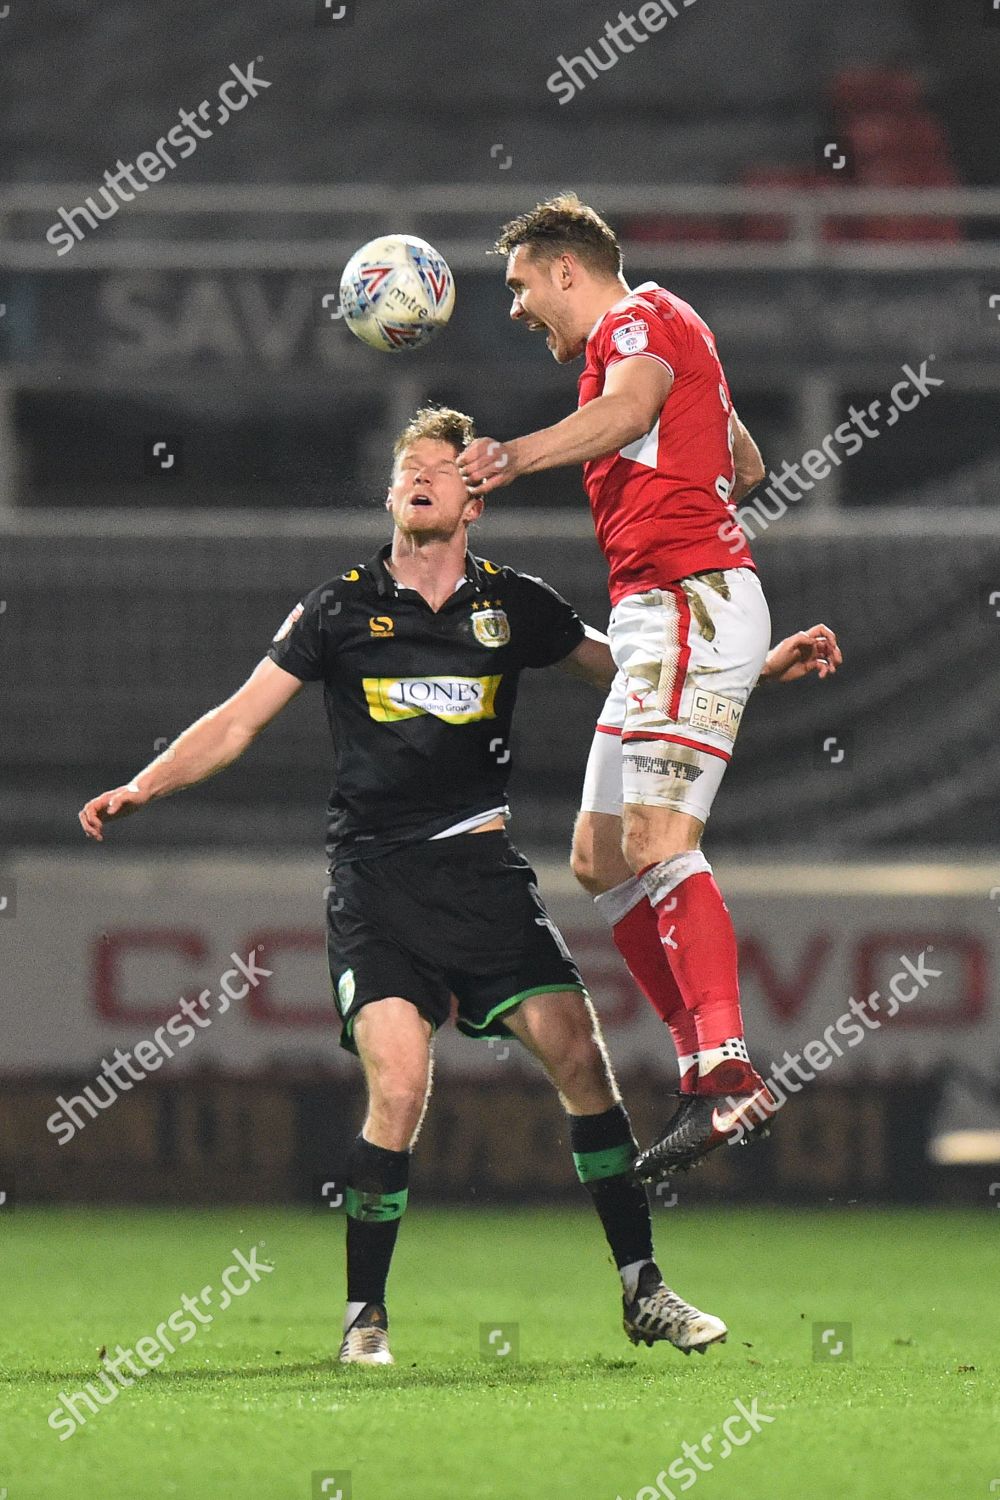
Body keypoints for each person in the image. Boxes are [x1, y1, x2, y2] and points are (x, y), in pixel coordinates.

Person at [80, 405, 737, 1367]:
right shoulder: (338, 608)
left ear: (475, 496)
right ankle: (363, 1321)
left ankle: (644, 1289)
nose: (422, 477)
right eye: (407, 469)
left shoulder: (514, 604)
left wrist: (750, 668)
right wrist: (143, 785)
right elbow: (235, 720)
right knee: (400, 1087)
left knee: (584, 1066)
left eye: (442, 466)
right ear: (393, 496)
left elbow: (635, 681)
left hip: (485, 878)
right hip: (377, 884)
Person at [457, 194, 842, 1181]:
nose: (514, 310)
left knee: (661, 841)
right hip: (670, 618)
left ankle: (726, 1074)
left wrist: (511, 456)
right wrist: (740, 658)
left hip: (688, 601)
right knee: (596, 856)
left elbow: (629, 414)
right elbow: (743, 461)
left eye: (518, 287)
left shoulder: (637, 323)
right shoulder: (665, 332)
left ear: (566, 273)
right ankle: (698, 1073)